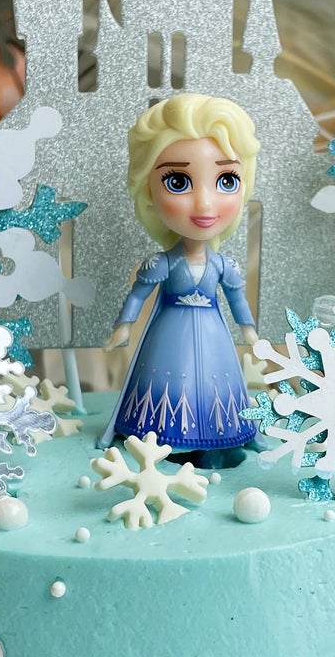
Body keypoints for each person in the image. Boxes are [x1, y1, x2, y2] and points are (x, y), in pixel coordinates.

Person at [101, 94, 260, 461]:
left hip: (215, 339)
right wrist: (123, 326)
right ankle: (161, 439)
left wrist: (249, 331)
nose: (205, 204)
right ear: (149, 192)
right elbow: (138, 295)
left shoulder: (224, 266)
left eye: (226, 180)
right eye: (177, 181)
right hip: (168, 338)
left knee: (218, 385)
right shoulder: (163, 264)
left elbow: (237, 299)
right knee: (165, 389)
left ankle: (219, 437)